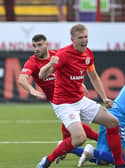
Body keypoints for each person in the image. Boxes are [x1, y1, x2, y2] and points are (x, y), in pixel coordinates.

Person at [37, 24, 125, 168]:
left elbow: (94, 76)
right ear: (73, 40)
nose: (84, 40)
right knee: (79, 138)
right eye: (81, 38)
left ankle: (120, 164)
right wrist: (48, 65)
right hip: (64, 104)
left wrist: (104, 98)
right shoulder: (63, 55)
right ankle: (47, 160)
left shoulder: (88, 54)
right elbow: (42, 75)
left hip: (80, 100)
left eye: (86, 37)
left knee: (113, 122)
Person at [18, 33, 99, 161]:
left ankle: (67, 148)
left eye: (39, 45)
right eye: (34, 46)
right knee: (73, 128)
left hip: (71, 96)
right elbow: (21, 79)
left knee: (73, 128)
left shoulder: (57, 54)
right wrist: (31, 89)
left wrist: (80, 83)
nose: (36, 48)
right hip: (58, 101)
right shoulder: (32, 62)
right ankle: (97, 143)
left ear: (46, 44)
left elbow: (72, 68)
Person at [68, 72, 125, 167]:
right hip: (119, 120)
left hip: (108, 116)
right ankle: (92, 152)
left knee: (103, 161)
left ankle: (70, 148)